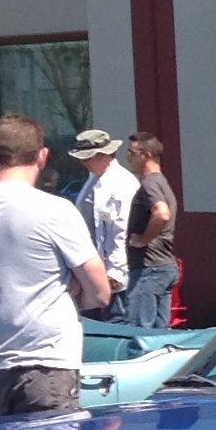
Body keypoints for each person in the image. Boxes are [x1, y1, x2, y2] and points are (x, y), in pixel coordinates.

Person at [0, 112, 111, 415]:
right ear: (43, 156)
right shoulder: (54, 210)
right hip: (45, 364)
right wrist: (75, 289)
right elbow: (100, 291)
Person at [69, 127, 138, 319]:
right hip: (92, 271)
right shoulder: (92, 181)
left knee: (115, 321)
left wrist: (116, 271)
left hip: (113, 274)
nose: (84, 162)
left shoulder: (122, 184)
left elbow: (121, 229)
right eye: (82, 157)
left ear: (105, 155)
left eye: (88, 157)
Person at [122, 134, 180, 330]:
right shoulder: (161, 181)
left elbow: (162, 213)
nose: (128, 158)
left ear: (146, 155)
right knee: (160, 336)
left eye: (132, 153)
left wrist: (142, 240)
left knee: (139, 334)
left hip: (149, 269)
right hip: (164, 267)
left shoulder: (150, 183)